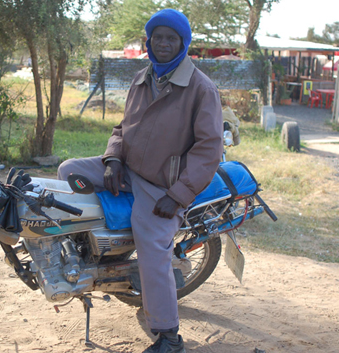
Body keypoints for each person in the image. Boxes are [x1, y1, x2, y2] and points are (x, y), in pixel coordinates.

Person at [57, 8, 223, 353]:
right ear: (148, 41)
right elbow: (123, 128)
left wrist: (177, 196)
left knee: (151, 248)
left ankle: (168, 336)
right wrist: (113, 159)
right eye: (157, 37)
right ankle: (100, 253)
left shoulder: (200, 89)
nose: (162, 44)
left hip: (162, 184)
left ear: (183, 43)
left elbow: (209, 150)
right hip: (127, 170)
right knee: (68, 170)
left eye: (170, 38)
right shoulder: (142, 77)